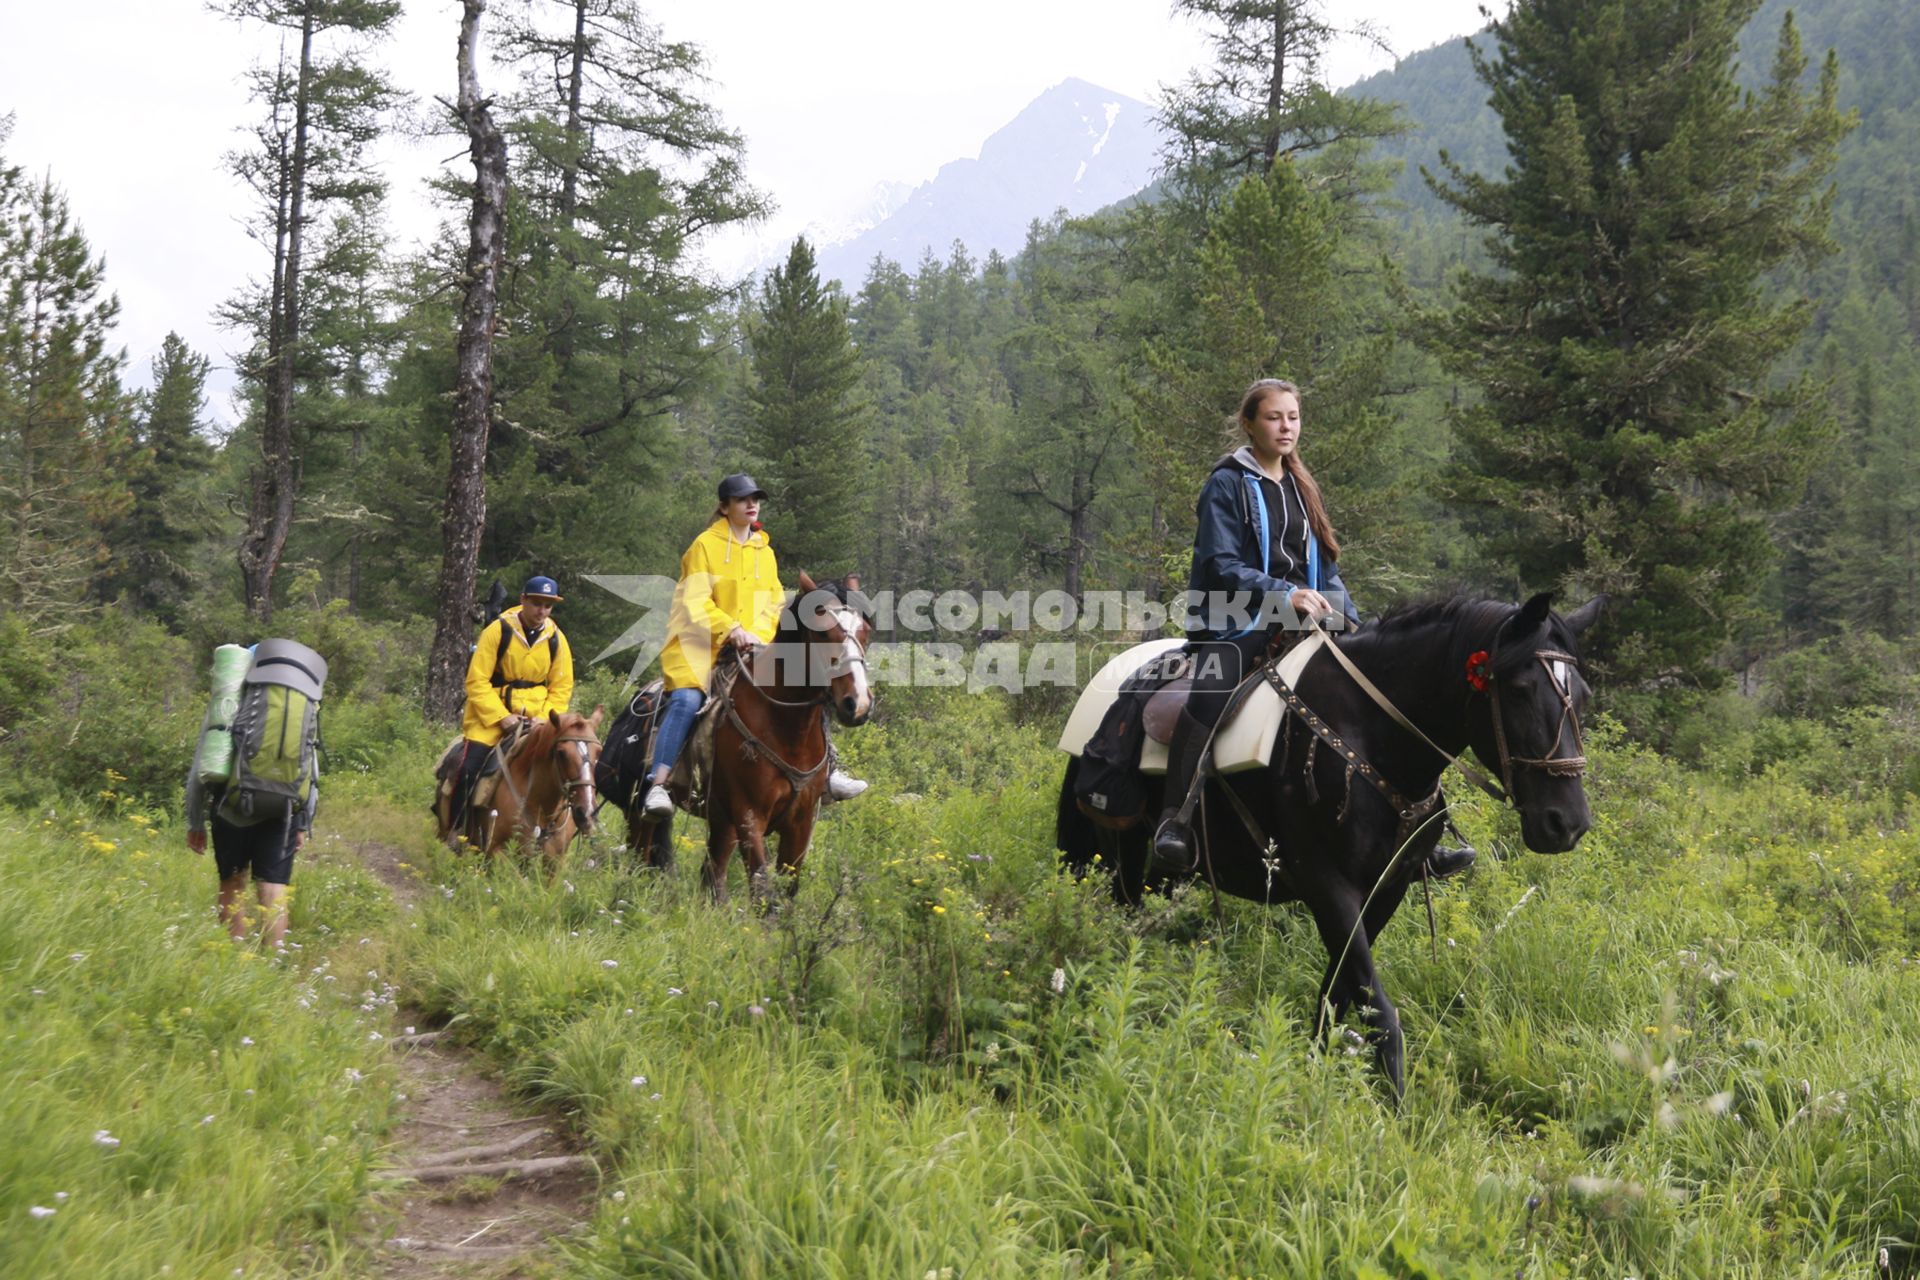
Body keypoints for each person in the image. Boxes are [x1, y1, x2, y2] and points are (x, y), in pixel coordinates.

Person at [1150, 377, 1474, 879]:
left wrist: (1357, 625)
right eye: (1274, 417)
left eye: (1293, 417)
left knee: (1383, 691)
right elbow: (1219, 563)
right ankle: (1176, 822)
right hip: (1235, 616)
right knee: (1210, 695)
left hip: (1305, 615)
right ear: (1249, 423)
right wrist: (1283, 594)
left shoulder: (1302, 486)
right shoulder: (1227, 483)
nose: (1286, 427)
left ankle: (1424, 834)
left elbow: (1326, 569)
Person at [641, 473, 866, 818]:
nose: (751, 504)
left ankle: (828, 772)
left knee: (806, 687)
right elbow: (694, 602)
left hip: (753, 643)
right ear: (724, 507)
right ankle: (659, 782)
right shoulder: (704, 546)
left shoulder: (765, 550)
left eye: (755, 498)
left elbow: (774, 602)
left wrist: (759, 635)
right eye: (743, 499)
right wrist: (731, 628)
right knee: (687, 699)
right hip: (700, 644)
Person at [451, 574, 576, 832]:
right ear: (523, 600)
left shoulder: (556, 638)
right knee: (468, 769)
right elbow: (477, 681)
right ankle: (455, 830)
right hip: (491, 719)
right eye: (537, 603)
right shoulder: (497, 631)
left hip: (537, 719)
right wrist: (501, 717)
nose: (542, 611)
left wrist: (544, 717)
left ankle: (568, 827)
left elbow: (561, 687)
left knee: (571, 766)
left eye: (548, 605)